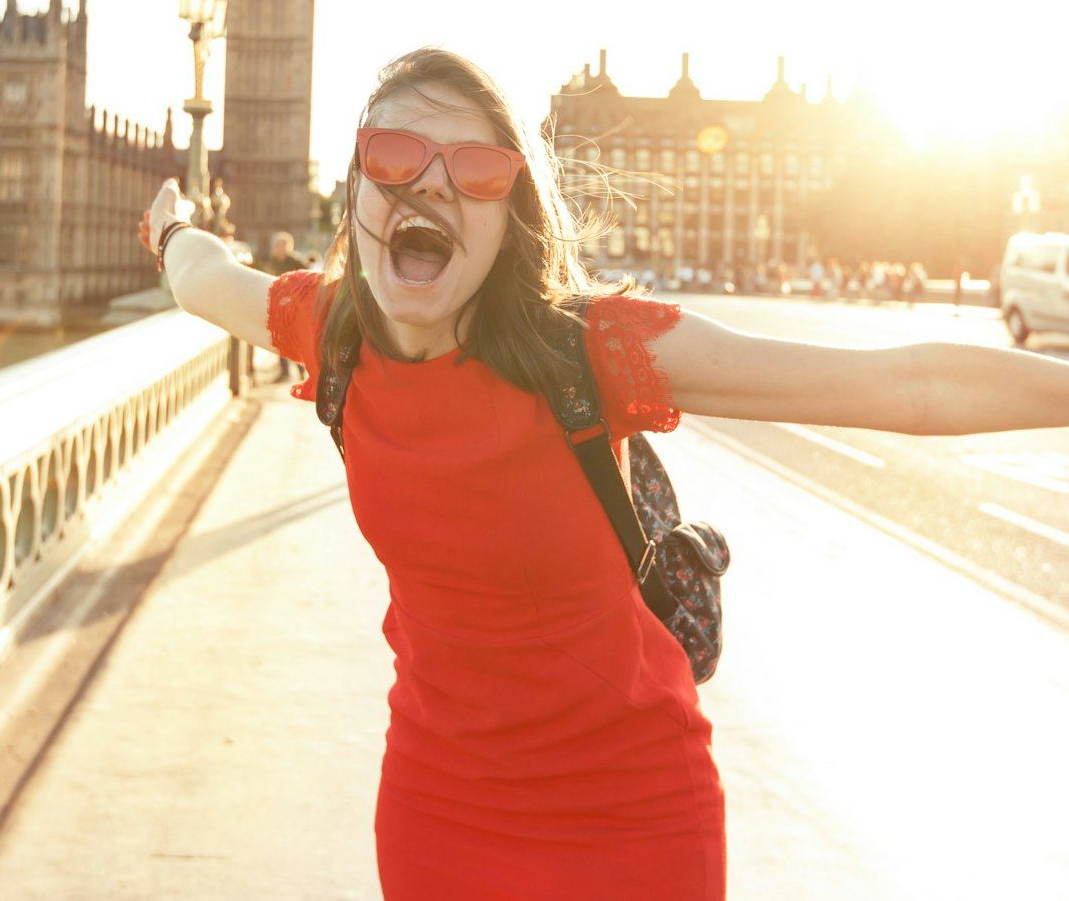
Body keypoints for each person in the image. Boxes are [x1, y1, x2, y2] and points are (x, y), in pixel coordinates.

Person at [138, 48, 1069, 901]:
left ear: (511, 217)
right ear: (354, 190)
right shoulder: (330, 329)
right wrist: (173, 228)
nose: (427, 187)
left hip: (634, 814)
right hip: (438, 805)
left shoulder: (597, 351)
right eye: (393, 157)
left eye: (475, 170)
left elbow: (908, 385)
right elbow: (203, 279)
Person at [257, 231, 308, 382]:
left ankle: (302, 369)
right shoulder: (273, 261)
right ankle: (284, 371)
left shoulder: (297, 262)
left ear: (289, 246)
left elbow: (307, 280)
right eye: (277, 245)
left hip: (294, 307)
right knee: (280, 339)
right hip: (278, 307)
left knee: (295, 340)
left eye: (282, 245)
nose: (279, 248)